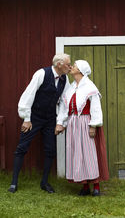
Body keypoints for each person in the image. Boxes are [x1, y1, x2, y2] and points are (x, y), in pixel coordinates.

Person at [8, 54, 71, 193]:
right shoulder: (42, 73)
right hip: (34, 117)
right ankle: (14, 183)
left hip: (50, 119)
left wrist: (60, 122)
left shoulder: (64, 79)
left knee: (50, 150)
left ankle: (44, 183)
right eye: (68, 64)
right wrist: (26, 118)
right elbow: (28, 95)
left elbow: (64, 102)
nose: (70, 67)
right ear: (59, 64)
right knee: (22, 147)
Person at [61, 60, 109, 196]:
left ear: (81, 70)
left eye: (75, 66)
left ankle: (96, 186)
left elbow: (96, 108)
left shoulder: (89, 87)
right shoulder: (71, 87)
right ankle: (85, 186)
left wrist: (93, 125)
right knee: (77, 153)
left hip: (86, 122)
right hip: (73, 124)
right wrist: (62, 123)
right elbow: (65, 108)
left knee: (89, 154)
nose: (72, 67)